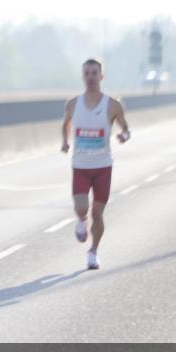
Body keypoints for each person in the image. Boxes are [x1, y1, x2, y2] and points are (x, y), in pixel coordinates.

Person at [61, 58, 130, 270]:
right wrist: (65, 142)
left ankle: (93, 251)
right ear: (83, 77)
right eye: (87, 73)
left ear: (101, 77)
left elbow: (126, 128)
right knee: (82, 208)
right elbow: (66, 125)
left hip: (103, 167)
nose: (90, 77)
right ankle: (81, 221)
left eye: (94, 73)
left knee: (98, 213)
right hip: (81, 166)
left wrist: (124, 136)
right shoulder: (73, 104)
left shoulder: (113, 106)